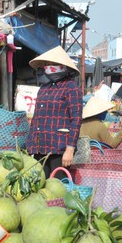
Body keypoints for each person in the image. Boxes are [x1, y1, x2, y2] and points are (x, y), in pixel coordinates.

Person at [25, 46, 82, 179]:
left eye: (54, 64)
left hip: (59, 149)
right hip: (40, 147)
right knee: (42, 187)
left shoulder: (71, 88)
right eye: (47, 64)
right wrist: (30, 144)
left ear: (63, 66)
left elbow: (76, 120)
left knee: (58, 188)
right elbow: (36, 118)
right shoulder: (44, 88)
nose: (49, 67)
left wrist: (70, 149)